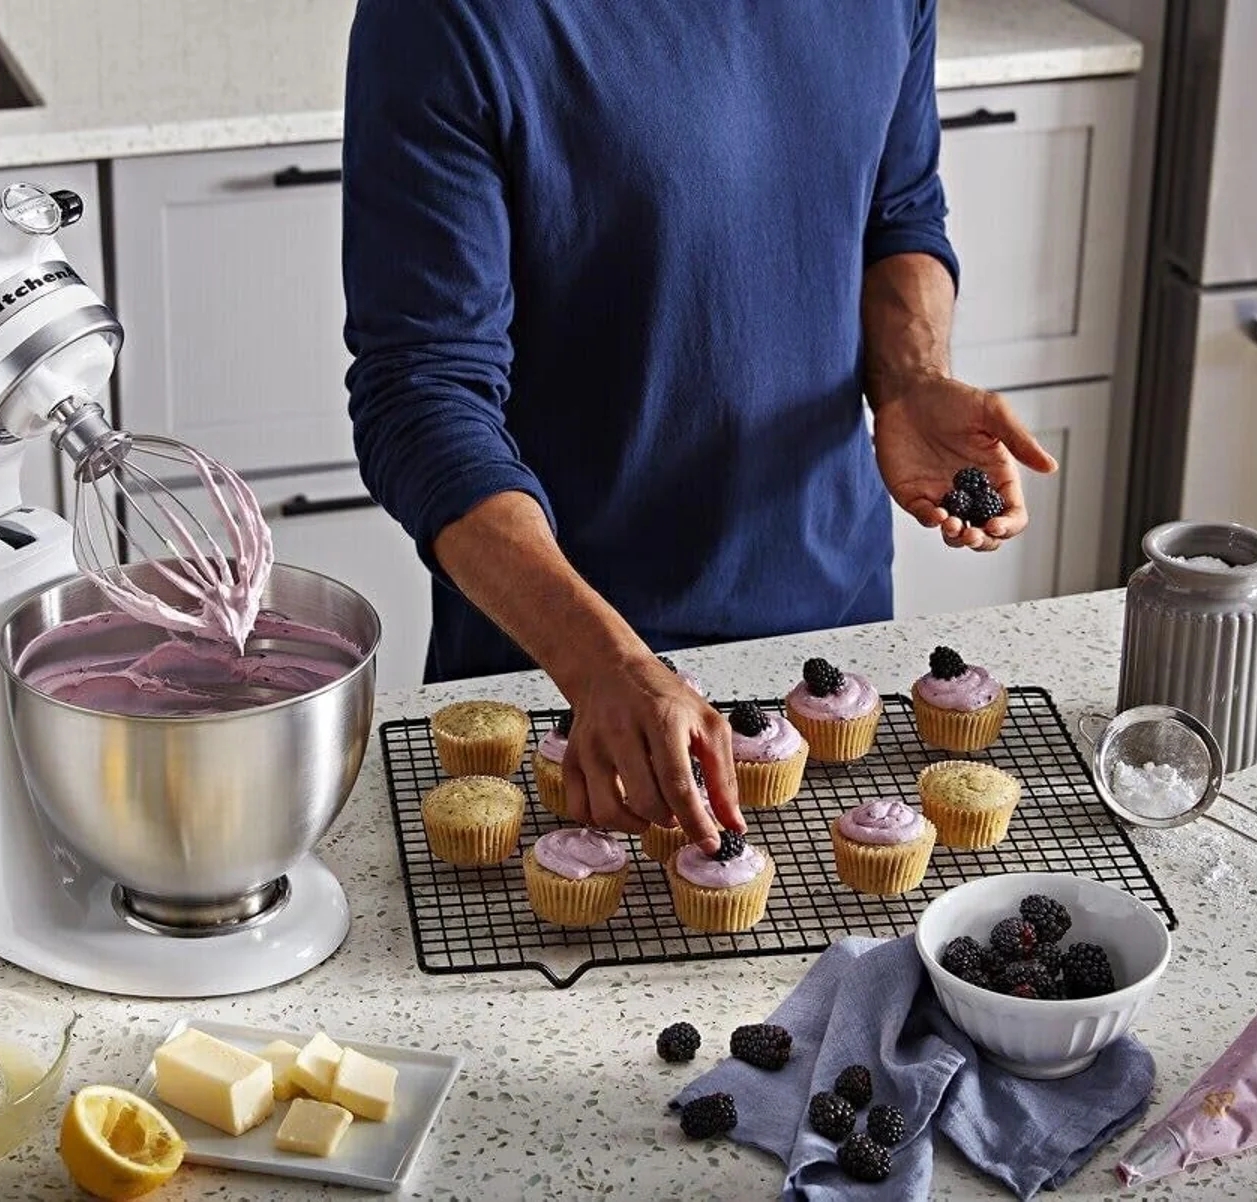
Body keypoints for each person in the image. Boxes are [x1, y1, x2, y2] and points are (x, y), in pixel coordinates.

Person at [341, 1, 1057, 856]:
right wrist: (603, 663)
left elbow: (897, 210)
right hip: (569, 686)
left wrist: (911, 378)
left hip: (833, 646)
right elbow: (421, 391)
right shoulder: (444, 18)